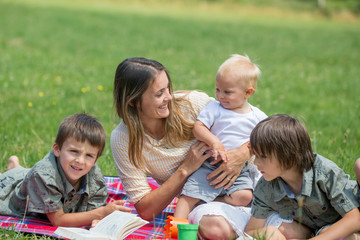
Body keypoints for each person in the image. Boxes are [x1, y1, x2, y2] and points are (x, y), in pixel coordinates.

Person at [111, 57, 256, 239]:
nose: (169, 97)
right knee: (215, 229)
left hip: (251, 178)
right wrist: (186, 168)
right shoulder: (123, 139)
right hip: (204, 199)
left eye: (168, 89)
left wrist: (243, 154)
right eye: (159, 94)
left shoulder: (192, 104)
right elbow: (146, 210)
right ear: (132, 101)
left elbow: (253, 123)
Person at [174, 54, 267, 219]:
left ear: (248, 92)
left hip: (238, 170)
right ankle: (176, 228)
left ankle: (212, 201)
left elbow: (265, 137)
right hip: (209, 165)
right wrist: (213, 141)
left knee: (245, 197)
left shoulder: (257, 116)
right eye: (217, 89)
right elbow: (198, 128)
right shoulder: (214, 109)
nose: (220, 95)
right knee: (187, 197)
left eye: (227, 92)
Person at [0, 113, 131, 227]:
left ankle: (15, 166)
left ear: (96, 159)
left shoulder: (94, 175)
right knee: (14, 180)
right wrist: (102, 213)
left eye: (89, 155)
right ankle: (12, 170)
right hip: (12, 194)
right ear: (57, 149)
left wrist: (96, 219)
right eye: (74, 151)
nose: (80, 160)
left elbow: (94, 209)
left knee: (25, 175)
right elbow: (58, 220)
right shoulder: (44, 176)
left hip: (30, 177)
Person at [245, 114, 360, 240]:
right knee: (332, 235)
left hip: (355, 208)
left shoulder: (324, 172)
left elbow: (354, 218)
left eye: (263, 156)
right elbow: (250, 231)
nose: (256, 163)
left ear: (288, 154)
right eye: (255, 156)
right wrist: (268, 231)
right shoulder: (265, 187)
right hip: (330, 226)